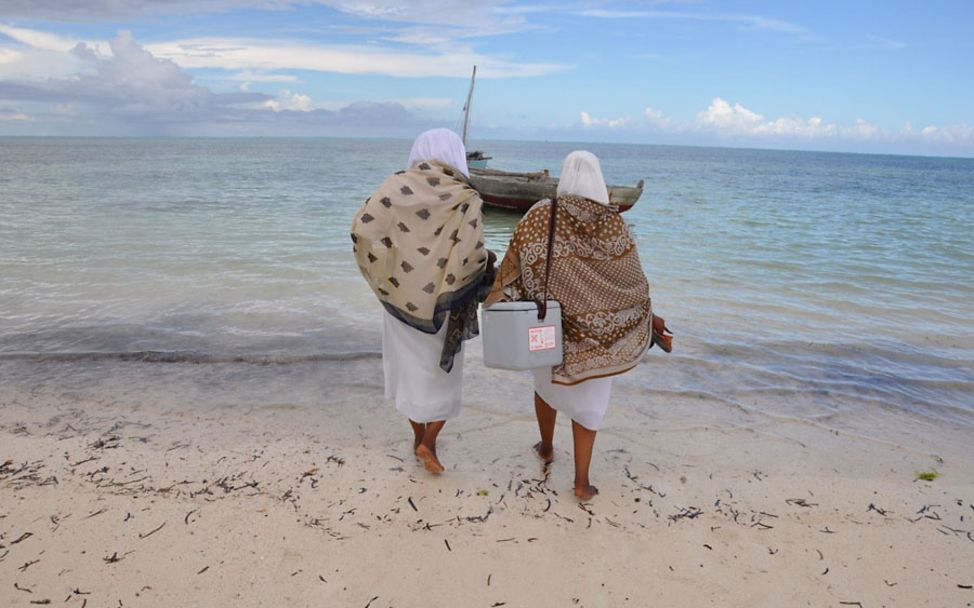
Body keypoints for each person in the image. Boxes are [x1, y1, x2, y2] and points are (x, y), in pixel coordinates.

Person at [484, 150, 669, 499]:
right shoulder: (614, 222)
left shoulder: (541, 214)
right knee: (589, 406)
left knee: (544, 386)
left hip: (550, 329)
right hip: (603, 340)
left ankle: (547, 447)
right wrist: (648, 316)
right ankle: (582, 483)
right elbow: (632, 282)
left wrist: (497, 297)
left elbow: (515, 264)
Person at [351, 129, 495, 474]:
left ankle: (419, 439)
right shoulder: (465, 195)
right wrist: (474, 275)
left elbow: (363, 232)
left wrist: (388, 274)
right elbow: (473, 254)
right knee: (443, 375)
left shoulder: (395, 186)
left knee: (409, 371)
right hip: (446, 301)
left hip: (402, 300)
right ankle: (429, 442)